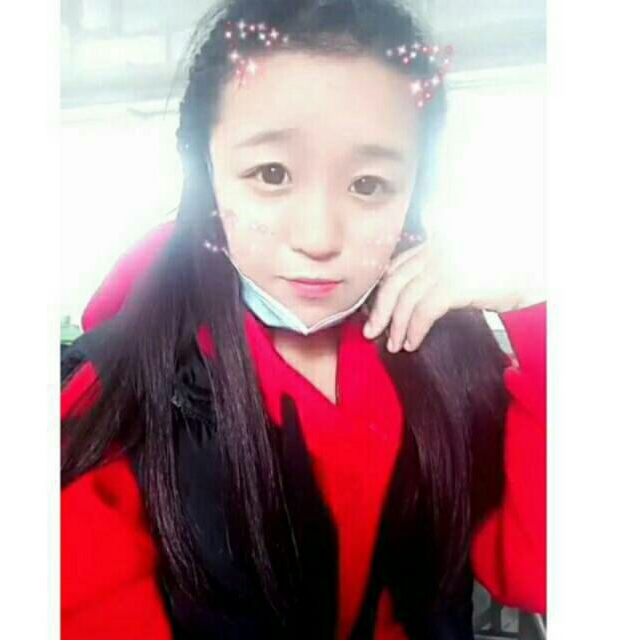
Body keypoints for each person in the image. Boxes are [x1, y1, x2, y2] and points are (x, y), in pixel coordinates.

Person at [61, 1, 546, 638]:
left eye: (368, 184)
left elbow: (543, 570)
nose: (318, 238)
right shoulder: (113, 396)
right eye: (272, 174)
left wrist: (538, 308)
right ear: (207, 175)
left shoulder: (449, 354)